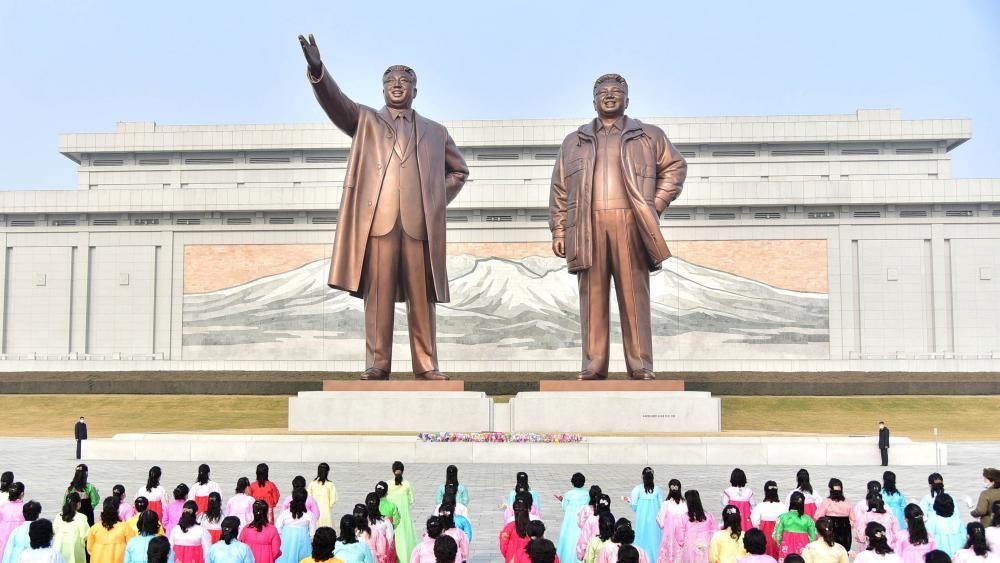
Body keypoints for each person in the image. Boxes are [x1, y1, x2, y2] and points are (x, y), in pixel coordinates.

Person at [298, 32, 468, 382]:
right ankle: (378, 364)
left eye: (405, 81)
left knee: (423, 300)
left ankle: (426, 365)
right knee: (378, 299)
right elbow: (336, 102)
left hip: (419, 227)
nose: (397, 85)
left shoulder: (435, 132)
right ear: (382, 89)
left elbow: (459, 171)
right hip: (379, 225)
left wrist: (434, 202)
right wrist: (318, 71)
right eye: (390, 81)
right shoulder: (366, 122)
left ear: (415, 90)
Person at [548, 73, 687, 382]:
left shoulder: (648, 135)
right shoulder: (574, 141)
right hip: (586, 225)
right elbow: (560, 189)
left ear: (628, 99)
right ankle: (593, 364)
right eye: (602, 92)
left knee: (634, 295)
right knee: (592, 297)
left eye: (616, 92)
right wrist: (559, 231)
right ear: (593, 99)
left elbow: (675, 167)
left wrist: (654, 205)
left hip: (630, 224)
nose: (609, 96)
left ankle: (641, 365)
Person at [627, 468, 663, 562]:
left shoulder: (637, 489)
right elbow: (661, 506)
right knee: (655, 541)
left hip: (641, 520)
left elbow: (634, 505)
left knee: (641, 539)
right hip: (655, 522)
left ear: (642, 476)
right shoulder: (657, 490)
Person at [773, 492, 816, 563]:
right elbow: (813, 538)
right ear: (802, 504)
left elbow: (777, 535)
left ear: (791, 502)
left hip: (786, 548)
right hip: (802, 550)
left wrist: (780, 544)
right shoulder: (808, 519)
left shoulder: (782, 517)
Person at [675, 490, 717, 563]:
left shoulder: (684, 517)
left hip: (690, 549)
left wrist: (683, 543)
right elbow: (714, 533)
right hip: (705, 548)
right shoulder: (709, 516)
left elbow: (679, 536)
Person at [275, 490, 316, 563]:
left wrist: (283, 537)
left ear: (292, 498)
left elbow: (277, 528)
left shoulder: (285, 513)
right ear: (305, 499)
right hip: (304, 544)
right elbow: (312, 534)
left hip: (286, 543)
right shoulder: (310, 515)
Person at [556, 473, 589, 563]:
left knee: (568, 539)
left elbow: (565, 507)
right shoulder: (587, 494)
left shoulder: (569, 494)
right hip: (582, 521)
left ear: (572, 482)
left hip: (570, 521)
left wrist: (562, 500)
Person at [387, 462, 416, 563]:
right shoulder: (407, 484)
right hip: (404, 517)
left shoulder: (388, 484)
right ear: (403, 471)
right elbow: (412, 500)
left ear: (393, 470)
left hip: (391, 517)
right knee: (405, 539)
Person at [86, 497, 128, 563]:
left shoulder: (94, 528)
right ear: (117, 510)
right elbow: (131, 546)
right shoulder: (125, 527)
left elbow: (90, 548)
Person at [751, 482, 785, 560]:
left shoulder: (760, 507)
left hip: (763, 541)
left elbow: (755, 523)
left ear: (765, 492)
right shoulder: (783, 507)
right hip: (778, 540)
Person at [656, 479, 688, 563]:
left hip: (669, 537)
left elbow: (660, 522)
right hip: (683, 537)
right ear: (679, 489)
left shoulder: (666, 504)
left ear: (669, 489)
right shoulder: (685, 504)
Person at [814, 479, 851, 551]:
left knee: (829, 551)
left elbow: (817, 517)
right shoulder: (847, 503)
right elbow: (853, 519)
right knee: (843, 551)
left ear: (830, 490)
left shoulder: (826, 503)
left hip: (830, 530)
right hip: (844, 531)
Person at [54, 493, 89, 563]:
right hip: (75, 550)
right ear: (78, 504)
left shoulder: (58, 516)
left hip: (59, 549)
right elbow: (85, 535)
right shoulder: (82, 517)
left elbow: (54, 532)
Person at [578, 495, 613, 560]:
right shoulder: (612, 518)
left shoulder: (591, 519)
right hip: (610, 552)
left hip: (594, 550)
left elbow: (584, 537)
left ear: (597, 505)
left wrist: (581, 554)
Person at [364, 493, 395, 563]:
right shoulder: (386, 521)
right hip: (380, 556)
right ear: (378, 504)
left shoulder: (362, 522)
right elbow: (390, 539)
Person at [0, 482, 27, 556]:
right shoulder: (25, 508)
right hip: (19, 547)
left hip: (3, 545)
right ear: (22, 494)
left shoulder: (3, 507)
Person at [307, 464, 338, 528]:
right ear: (327, 472)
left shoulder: (312, 484)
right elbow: (333, 500)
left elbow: (308, 499)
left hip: (314, 513)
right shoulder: (330, 485)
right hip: (326, 514)